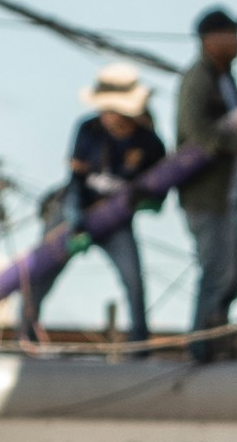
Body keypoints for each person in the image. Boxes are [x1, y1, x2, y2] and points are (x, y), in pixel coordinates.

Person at [22, 64, 165, 339]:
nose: (109, 116)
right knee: (42, 273)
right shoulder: (88, 129)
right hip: (75, 211)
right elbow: (75, 181)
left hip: (117, 221)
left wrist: (147, 198)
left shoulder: (150, 143)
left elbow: (158, 186)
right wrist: (76, 222)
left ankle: (139, 341)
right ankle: (25, 335)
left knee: (134, 281)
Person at [175, 7, 237, 334]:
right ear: (210, 40)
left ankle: (214, 330)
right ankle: (201, 342)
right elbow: (195, 131)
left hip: (226, 193)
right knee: (216, 272)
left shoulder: (226, 78)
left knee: (234, 274)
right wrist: (230, 140)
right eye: (231, 33)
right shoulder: (198, 78)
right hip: (205, 194)